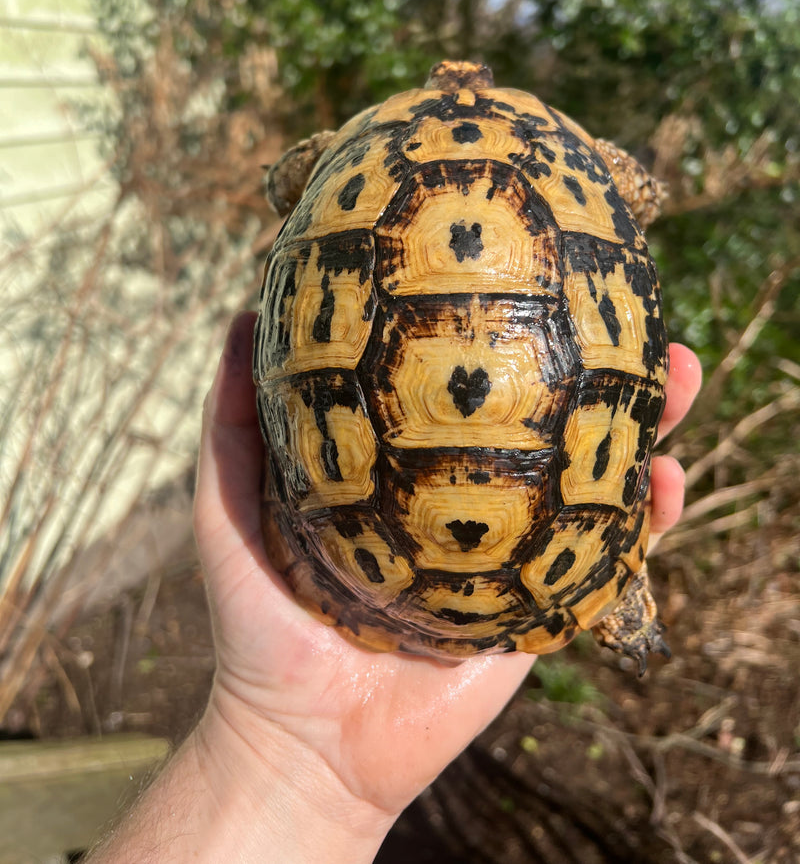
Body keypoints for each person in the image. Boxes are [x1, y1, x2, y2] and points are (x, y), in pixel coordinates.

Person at [86, 310, 702, 863]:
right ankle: (609, 587)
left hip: (352, 562)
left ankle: (608, 584)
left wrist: (276, 754)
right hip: (543, 571)